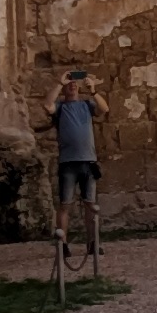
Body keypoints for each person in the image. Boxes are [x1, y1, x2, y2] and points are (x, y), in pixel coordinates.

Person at [48, 68, 104, 267]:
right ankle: (62, 244)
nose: (72, 86)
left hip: (88, 161)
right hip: (68, 163)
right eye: (69, 84)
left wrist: (93, 90)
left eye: (74, 84)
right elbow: (47, 105)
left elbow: (104, 109)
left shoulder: (87, 104)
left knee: (90, 204)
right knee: (65, 204)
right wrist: (59, 83)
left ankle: (93, 242)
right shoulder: (60, 107)